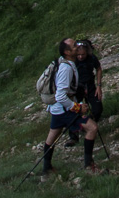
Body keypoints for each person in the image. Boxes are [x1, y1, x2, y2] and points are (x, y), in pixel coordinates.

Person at [42, 37, 101, 177]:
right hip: (64, 109)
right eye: (74, 45)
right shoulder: (66, 68)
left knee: (52, 136)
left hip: (57, 109)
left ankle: (46, 169)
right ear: (67, 52)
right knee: (92, 128)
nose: (78, 46)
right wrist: (77, 108)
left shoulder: (66, 63)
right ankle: (88, 165)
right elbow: (61, 96)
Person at [66, 39, 104, 146]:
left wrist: (99, 86)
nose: (80, 57)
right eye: (78, 55)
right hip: (77, 88)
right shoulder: (73, 61)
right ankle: (73, 136)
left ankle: (88, 124)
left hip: (90, 85)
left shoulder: (92, 58)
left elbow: (99, 69)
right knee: (74, 109)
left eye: (83, 54)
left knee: (97, 108)